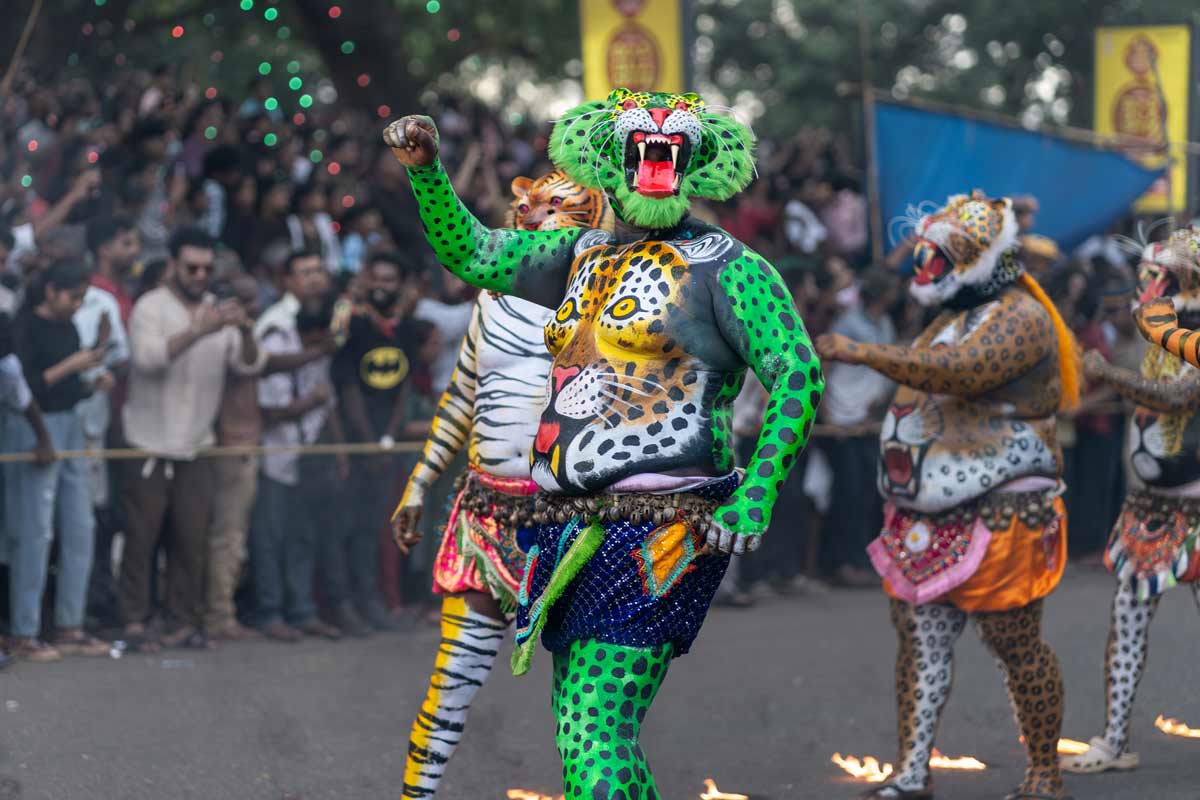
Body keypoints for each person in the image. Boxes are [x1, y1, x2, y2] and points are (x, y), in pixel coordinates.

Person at [384, 88, 823, 798]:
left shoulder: (728, 268)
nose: (655, 153)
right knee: (586, 730)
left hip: (664, 533)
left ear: (695, 163)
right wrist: (428, 171)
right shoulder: (577, 251)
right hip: (570, 531)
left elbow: (797, 373)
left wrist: (756, 498)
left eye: (670, 147)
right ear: (609, 162)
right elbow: (473, 250)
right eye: (640, 146)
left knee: (593, 729)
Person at [818, 191, 1079, 800]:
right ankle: (911, 774)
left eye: (933, 258)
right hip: (928, 515)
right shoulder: (946, 318)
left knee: (1014, 642)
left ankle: (1044, 770)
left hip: (1005, 509)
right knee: (919, 637)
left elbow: (961, 371)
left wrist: (862, 352)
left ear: (976, 262)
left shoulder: (1022, 316)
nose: (921, 270)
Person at [391, 170, 609, 798]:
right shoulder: (490, 299)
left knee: (586, 697)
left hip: (577, 520)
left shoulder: (611, 303)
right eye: (528, 208)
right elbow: (462, 396)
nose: (536, 219)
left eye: (556, 209)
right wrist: (417, 484)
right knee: (452, 679)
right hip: (487, 512)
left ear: (591, 220)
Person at [1063, 227, 1200, 774]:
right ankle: (1114, 740)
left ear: (1181, 279)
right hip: (1149, 505)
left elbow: (1177, 395)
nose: (1142, 285)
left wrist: (1105, 373)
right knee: (1128, 619)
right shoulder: (1154, 338)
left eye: (1151, 275)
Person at [118, 227, 266, 651]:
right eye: (192, 267)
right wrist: (201, 330)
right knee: (141, 539)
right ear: (173, 266)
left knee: (191, 539)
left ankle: (181, 621)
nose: (200, 274)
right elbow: (148, 361)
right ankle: (134, 621)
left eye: (206, 267)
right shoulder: (151, 307)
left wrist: (245, 328)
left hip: (197, 444)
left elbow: (250, 364)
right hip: (147, 441)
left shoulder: (218, 312)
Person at [7, 260, 114, 661]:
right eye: (72, 297)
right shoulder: (24, 328)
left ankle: (71, 624)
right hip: (34, 428)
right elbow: (24, 387)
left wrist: (90, 382)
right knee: (34, 531)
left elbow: (68, 387)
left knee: (80, 525)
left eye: (81, 299)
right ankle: (24, 630)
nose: (76, 305)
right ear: (50, 290)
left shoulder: (70, 327)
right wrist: (72, 365)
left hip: (69, 422)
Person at [329, 253, 425, 632]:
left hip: (386, 445)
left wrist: (389, 437)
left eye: (390, 279)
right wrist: (369, 443)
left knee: (373, 527)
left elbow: (402, 385)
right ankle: (344, 604)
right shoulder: (353, 324)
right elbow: (347, 388)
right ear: (367, 280)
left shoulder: (403, 329)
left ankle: (370, 603)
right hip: (352, 446)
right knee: (344, 526)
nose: (383, 286)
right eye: (377, 278)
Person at [253, 293, 344, 641]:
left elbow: (330, 403)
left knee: (302, 538)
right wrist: (310, 402)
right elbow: (270, 411)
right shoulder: (278, 342)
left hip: (311, 458)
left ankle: (303, 611)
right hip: (276, 457)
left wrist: (339, 451)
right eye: (316, 341)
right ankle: (271, 613)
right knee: (270, 538)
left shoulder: (319, 350)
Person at [820, 267, 900, 586]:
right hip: (842, 420)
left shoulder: (885, 325)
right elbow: (824, 368)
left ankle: (863, 558)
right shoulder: (847, 324)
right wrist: (825, 413)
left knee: (870, 490)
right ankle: (841, 562)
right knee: (847, 492)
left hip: (868, 419)